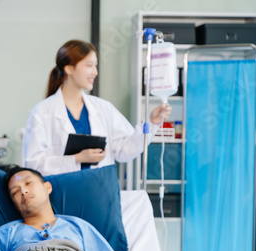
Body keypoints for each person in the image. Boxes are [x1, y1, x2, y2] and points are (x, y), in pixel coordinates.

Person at [24, 39, 172, 176]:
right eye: (89, 65)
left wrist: (151, 122)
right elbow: (33, 164)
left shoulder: (103, 108)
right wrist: (76, 159)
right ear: (69, 68)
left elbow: (125, 151)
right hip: (62, 194)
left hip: (99, 192)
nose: (95, 72)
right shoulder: (42, 112)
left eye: (95, 65)